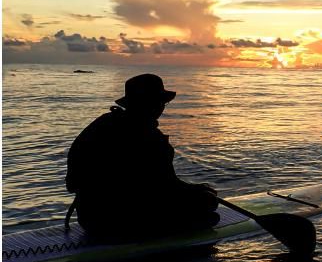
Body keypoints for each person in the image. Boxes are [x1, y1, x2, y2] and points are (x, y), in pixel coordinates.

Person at [65, 74, 219, 242]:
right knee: (208, 209)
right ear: (151, 104)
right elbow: (166, 186)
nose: (162, 107)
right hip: (119, 222)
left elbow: (72, 183)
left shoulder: (101, 124)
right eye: (161, 102)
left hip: (88, 217)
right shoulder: (149, 137)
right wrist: (196, 191)